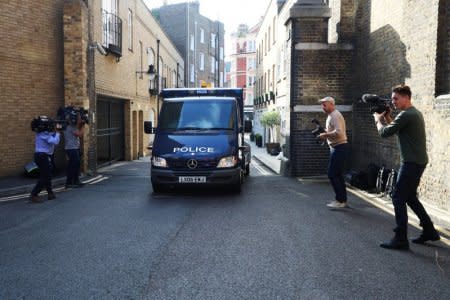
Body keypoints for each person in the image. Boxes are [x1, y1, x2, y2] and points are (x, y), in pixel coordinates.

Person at [373, 84, 440, 250]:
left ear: (406, 97)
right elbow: (396, 129)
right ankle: (430, 231)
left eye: (396, 98)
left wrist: (377, 120)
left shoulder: (406, 114)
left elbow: (385, 133)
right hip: (417, 161)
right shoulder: (412, 113)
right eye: (393, 98)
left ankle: (401, 238)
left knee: (397, 197)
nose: (393, 101)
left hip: (411, 163)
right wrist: (386, 118)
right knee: (409, 197)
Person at [318, 96, 350, 209]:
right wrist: (325, 132)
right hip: (337, 147)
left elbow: (339, 133)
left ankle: (340, 200)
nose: (323, 107)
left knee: (332, 174)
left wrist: (325, 135)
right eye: (322, 104)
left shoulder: (335, 115)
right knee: (338, 175)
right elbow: (335, 131)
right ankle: (342, 200)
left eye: (324, 104)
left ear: (331, 104)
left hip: (339, 147)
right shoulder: (331, 115)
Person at [30, 119, 61, 203]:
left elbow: (52, 135)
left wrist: (56, 130)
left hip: (43, 156)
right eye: (50, 125)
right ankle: (34, 194)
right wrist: (58, 132)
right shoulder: (44, 134)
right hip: (42, 156)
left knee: (47, 175)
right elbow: (55, 141)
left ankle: (50, 193)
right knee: (45, 176)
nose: (51, 127)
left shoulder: (42, 133)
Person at [64, 110, 85, 188]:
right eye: (78, 118)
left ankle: (76, 181)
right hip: (71, 148)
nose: (79, 120)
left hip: (74, 148)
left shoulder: (72, 126)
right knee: (73, 166)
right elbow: (79, 135)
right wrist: (83, 126)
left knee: (76, 165)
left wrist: (80, 125)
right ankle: (69, 183)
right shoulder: (70, 127)